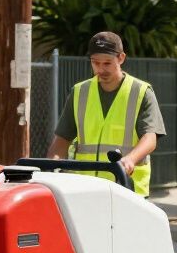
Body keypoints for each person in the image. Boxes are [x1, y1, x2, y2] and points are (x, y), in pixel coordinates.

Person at [46, 31, 165, 196]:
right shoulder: (80, 92)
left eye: (107, 63)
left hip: (127, 190)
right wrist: (50, 169)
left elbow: (150, 138)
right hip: (85, 190)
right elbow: (62, 139)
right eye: (95, 63)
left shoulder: (141, 91)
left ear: (121, 58)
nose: (100, 69)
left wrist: (130, 159)